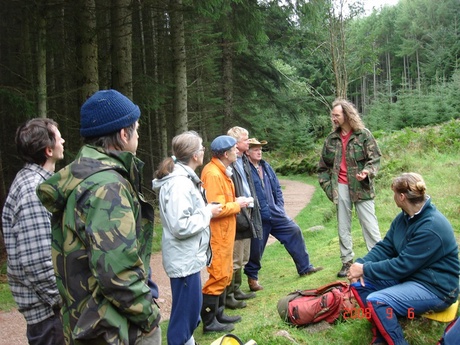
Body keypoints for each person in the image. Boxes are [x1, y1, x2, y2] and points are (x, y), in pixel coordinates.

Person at [36, 89, 161, 345]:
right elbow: (118, 274)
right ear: (124, 134)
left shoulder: (83, 178)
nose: (138, 135)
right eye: (136, 129)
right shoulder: (107, 187)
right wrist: (149, 316)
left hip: (90, 325)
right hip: (115, 330)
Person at [348, 172, 459, 345]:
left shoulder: (431, 227)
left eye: (394, 193)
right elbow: (386, 247)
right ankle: (381, 333)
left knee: (377, 300)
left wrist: (364, 268)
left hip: (436, 289)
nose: (393, 197)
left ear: (401, 197)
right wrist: (361, 263)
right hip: (411, 278)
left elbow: (402, 265)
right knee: (359, 283)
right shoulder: (404, 218)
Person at [152, 131, 222, 345]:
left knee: (189, 316)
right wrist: (208, 212)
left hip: (188, 258)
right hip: (183, 260)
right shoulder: (179, 184)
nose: (203, 151)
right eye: (201, 148)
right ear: (194, 155)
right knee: (184, 320)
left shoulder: (184, 180)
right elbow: (180, 225)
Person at [2, 118, 65, 345]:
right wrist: (64, 301)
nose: (64, 141)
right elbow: (38, 262)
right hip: (50, 316)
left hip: (48, 314)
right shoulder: (34, 191)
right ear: (49, 150)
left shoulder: (35, 182)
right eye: (59, 138)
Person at [244, 138, 323, 292]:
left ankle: (305, 267)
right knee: (256, 246)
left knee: (294, 230)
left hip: (275, 212)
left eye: (260, 149)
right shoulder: (244, 169)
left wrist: (279, 206)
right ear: (247, 152)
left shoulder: (266, 166)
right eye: (255, 149)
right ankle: (252, 279)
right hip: (259, 215)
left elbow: (277, 188)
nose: (259, 151)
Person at [318, 98, 382, 278]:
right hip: (340, 187)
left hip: (361, 186)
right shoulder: (331, 140)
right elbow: (322, 168)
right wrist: (330, 188)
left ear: (347, 115)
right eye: (332, 115)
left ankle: (378, 260)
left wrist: (367, 172)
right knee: (343, 226)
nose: (333, 119)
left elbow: (375, 158)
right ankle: (347, 262)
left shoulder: (363, 135)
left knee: (369, 224)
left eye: (336, 115)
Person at [200, 135, 250, 333]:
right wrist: (238, 204)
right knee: (218, 275)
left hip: (226, 232)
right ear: (225, 153)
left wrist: (235, 201)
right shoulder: (212, 174)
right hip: (218, 234)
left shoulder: (221, 171)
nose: (237, 151)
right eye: (234, 149)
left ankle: (219, 313)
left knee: (225, 273)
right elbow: (215, 207)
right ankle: (209, 322)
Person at [225, 126, 263, 309]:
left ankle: (237, 290)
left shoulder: (243, 160)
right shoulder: (229, 163)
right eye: (246, 139)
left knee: (244, 255)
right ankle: (229, 294)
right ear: (235, 142)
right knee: (235, 255)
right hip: (237, 210)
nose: (249, 142)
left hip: (248, 209)